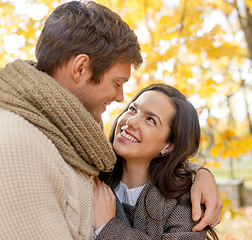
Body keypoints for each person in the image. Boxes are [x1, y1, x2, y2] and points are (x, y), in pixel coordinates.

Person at [0, 1, 222, 239]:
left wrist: (198, 174)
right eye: (117, 83)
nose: (120, 98)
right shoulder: (18, 147)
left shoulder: (83, 145)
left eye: (151, 119)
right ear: (81, 68)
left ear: (169, 145)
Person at [93, 83, 219, 239]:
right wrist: (202, 172)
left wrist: (108, 227)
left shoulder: (184, 204)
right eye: (132, 109)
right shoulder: (92, 171)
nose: (131, 121)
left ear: (169, 145)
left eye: (151, 120)